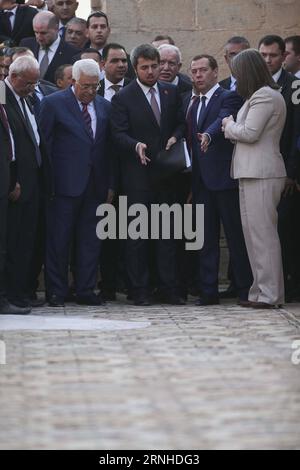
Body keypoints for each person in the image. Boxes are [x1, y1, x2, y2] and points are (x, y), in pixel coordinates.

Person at [110, 44, 186, 306]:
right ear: (135, 68)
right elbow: (117, 133)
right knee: (137, 237)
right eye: (145, 67)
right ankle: (139, 289)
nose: (152, 71)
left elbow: (180, 122)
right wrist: (135, 145)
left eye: (155, 66)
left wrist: (176, 136)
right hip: (137, 178)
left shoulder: (171, 91)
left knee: (167, 235)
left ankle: (169, 288)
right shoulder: (123, 97)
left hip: (167, 176)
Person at [39, 59, 113, 307]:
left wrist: (110, 184)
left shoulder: (104, 106)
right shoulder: (52, 104)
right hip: (63, 186)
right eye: (86, 86)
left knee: (90, 242)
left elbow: (108, 148)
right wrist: (47, 183)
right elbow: (45, 146)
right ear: (73, 81)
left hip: (95, 186)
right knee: (59, 241)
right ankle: (57, 291)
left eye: (95, 86)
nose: (91, 91)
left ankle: (85, 289)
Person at [223, 48, 287, 309]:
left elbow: (250, 133)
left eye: (238, 73)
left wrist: (228, 125)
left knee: (263, 236)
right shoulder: (258, 96)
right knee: (253, 236)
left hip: (262, 173)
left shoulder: (264, 96)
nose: (235, 79)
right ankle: (260, 291)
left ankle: (270, 294)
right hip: (251, 172)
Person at [188, 54, 252, 306]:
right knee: (205, 238)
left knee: (235, 237)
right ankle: (208, 291)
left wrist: (209, 136)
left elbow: (221, 120)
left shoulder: (228, 96)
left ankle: (245, 290)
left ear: (215, 72)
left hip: (225, 181)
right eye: (194, 71)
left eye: (203, 70)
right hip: (200, 181)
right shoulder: (191, 102)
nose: (198, 75)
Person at [4, 55, 49, 308]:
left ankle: (20, 294)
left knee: (27, 241)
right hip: (16, 182)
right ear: (14, 76)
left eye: (35, 83)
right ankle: (8, 295)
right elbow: (7, 142)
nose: (33, 88)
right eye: (29, 83)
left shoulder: (27, 99)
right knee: (13, 241)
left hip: (33, 182)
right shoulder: (2, 95)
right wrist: (13, 179)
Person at [20, 11, 80, 84]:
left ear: (56, 28)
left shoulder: (72, 53)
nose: (39, 37)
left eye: (43, 33)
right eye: (36, 32)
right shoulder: (26, 44)